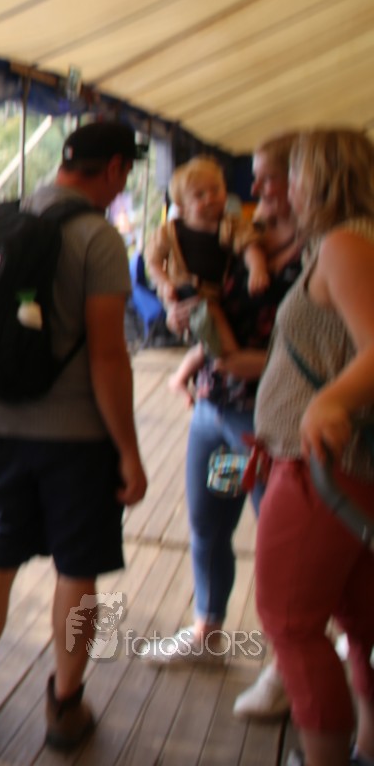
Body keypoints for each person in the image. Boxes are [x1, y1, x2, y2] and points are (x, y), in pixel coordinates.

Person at [0, 121, 148, 751]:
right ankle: (64, 706)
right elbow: (108, 355)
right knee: (78, 571)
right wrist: (129, 451)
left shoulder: (5, 220)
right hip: (79, 438)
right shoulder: (98, 238)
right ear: (113, 169)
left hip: (3, 428)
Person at [143, 136, 304, 680]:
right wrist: (182, 320)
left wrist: (249, 362)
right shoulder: (240, 234)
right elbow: (206, 306)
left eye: (265, 177)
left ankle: (290, 655)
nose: (252, 187)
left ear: (300, 179)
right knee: (210, 521)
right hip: (217, 411)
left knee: (278, 536)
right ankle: (207, 631)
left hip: (268, 420)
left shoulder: (318, 249)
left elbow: (328, 347)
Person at [252, 128, 374, 766]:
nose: (284, 188)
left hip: (322, 469)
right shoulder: (350, 241)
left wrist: (329, 402)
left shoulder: (345, 243)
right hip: (343, 468)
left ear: (320, 180)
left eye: (292, 175)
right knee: (360, 622)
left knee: (291, 624)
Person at [145, 155, 269, 388]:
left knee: (208, 337)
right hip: (185, 291)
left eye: (216, 190)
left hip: (215, 292)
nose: (210, 198)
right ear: (181, 205)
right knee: (211, 321)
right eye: (200, 195)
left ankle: (180, 378)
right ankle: (232, 359)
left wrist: (257, 268)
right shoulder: (170, 231)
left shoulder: (230, 225)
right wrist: (164, 283)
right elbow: (153, 261)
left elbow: (249, 245)